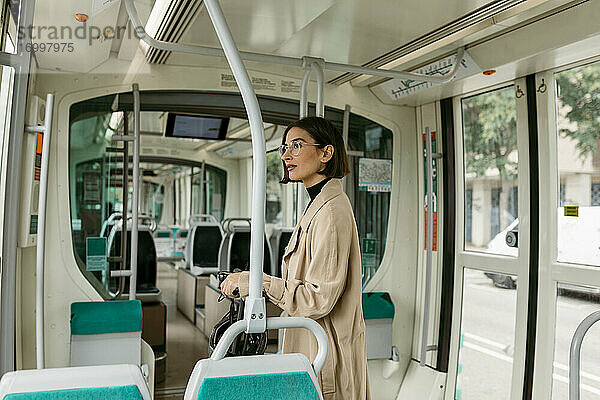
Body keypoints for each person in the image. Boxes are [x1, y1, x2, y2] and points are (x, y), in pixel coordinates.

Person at [221, 116, 370, 400]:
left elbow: (318, 299)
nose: (287, 155)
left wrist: (259, 283)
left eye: (297, 146)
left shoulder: (331, 211)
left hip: (327, 352)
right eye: (285, 148)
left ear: (326, 153)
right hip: (312, 343)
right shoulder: (318, 204)